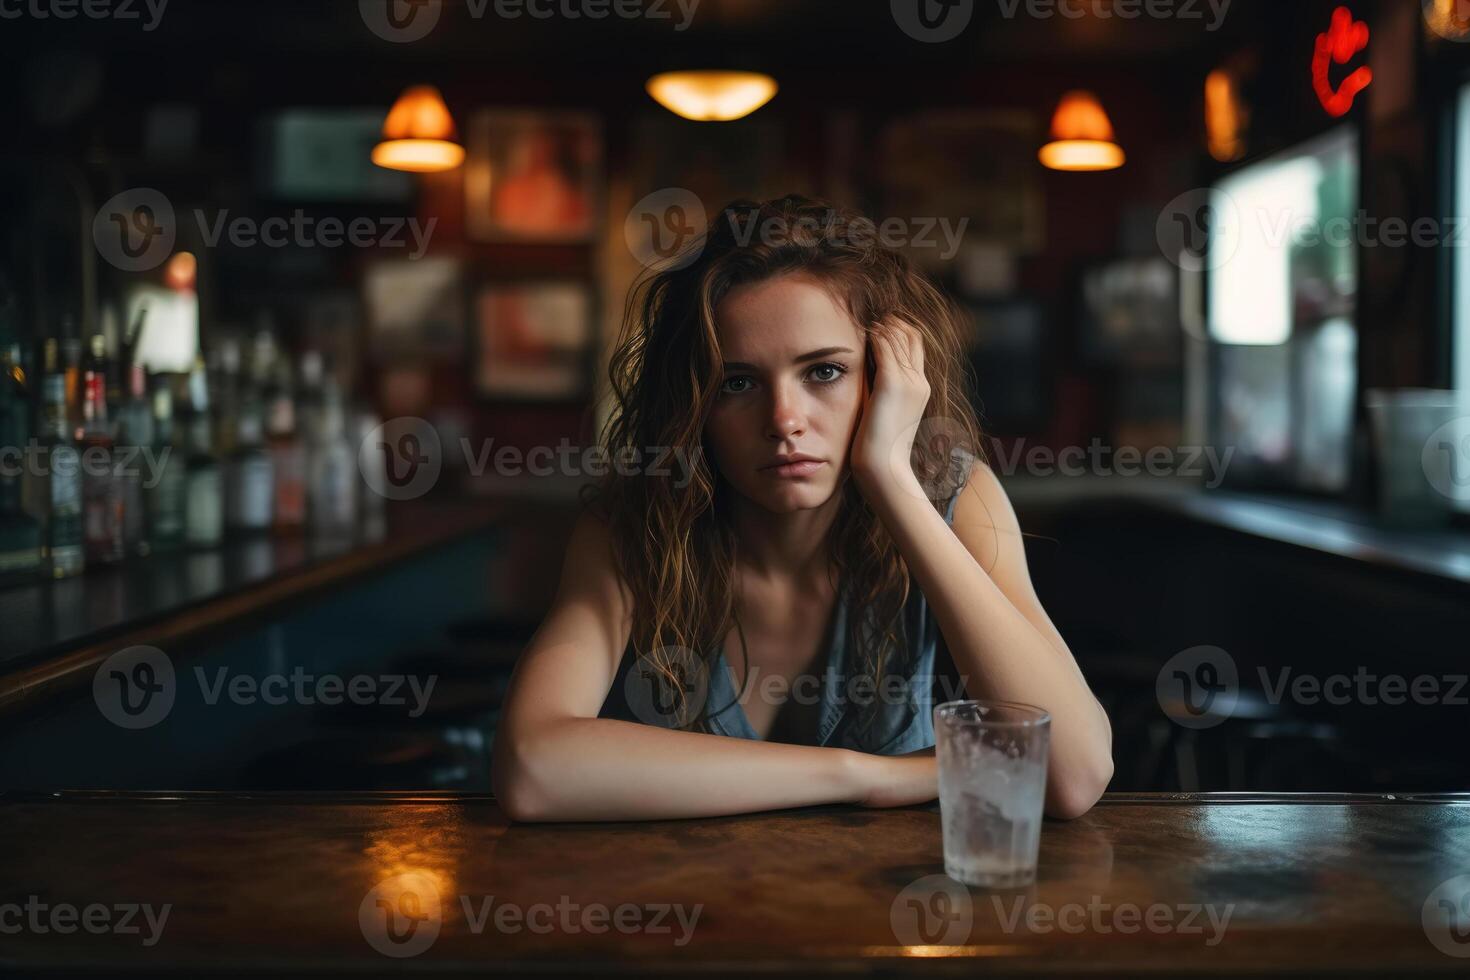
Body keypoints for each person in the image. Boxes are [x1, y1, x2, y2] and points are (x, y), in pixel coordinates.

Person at [492, 195, 1113, 822]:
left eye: (823, 373)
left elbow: (1073, 774)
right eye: (736, 383)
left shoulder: (955, 498)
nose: (784, 421)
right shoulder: (636, 525)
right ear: (693, 407)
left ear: (885, 376)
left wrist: (890, 477)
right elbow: (532, 768)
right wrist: (865, 777)